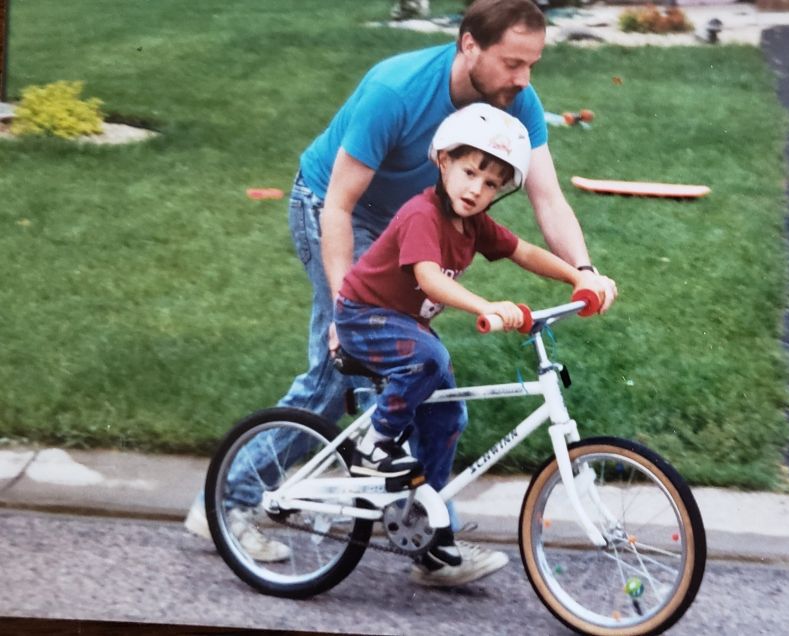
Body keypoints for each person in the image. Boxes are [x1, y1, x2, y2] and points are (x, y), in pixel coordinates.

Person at [184, 0, 617, 579]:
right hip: (338, 207)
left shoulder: (516, 103)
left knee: (424, 389)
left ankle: (426, 537)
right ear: (469, 45)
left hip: (422, 222)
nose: (524, 79)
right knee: (345, 369)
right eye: (513, 63)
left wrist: (583, 271)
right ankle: (226, 503)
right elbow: (338, 205)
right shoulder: (397, 90)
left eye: (532, 64)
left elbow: (548, 199)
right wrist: (345, 312)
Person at [337, 103, 595, 585]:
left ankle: (425, 532)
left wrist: (580, 276)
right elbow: (429, 278)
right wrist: (486, 305)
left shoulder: (473, 224)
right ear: (443, 162)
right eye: (470, 172)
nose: (477, 189)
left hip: (405, 323)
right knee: (429, 358)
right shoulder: (422, 214)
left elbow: (524, 251)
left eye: (491, 183)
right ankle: (373, 443)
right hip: (364, 316)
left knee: (447, 419)